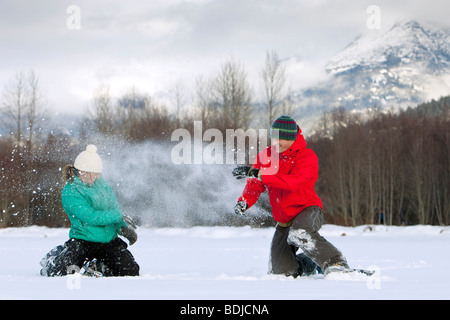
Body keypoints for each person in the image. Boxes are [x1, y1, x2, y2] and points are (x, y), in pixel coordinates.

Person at [233, 116, 349, 277]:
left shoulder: (307, 157)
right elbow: (256, 184)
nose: (277, 142)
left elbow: (293, 183)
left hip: (308, 210)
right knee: (281, 273)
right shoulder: (266, 156)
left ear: (292, 138)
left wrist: (259, 174)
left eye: (282, 138)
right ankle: (308, 263)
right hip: (284, 221)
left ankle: (336, 262)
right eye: (275, 137)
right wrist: (244, 201)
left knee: (300, 231)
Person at [40, 144, 139, 277]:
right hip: (83, 241)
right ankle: (54, 259)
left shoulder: (102, 185)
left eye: (98, 173)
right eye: (95, 173)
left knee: (130, 270)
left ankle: (99, 266)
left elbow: (112, 208)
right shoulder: (71, 191)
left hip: (108, 241)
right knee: (66, 271)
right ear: (84, 172)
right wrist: (118, 215)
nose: (98, 177)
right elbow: (91, 217)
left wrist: (122, 228)